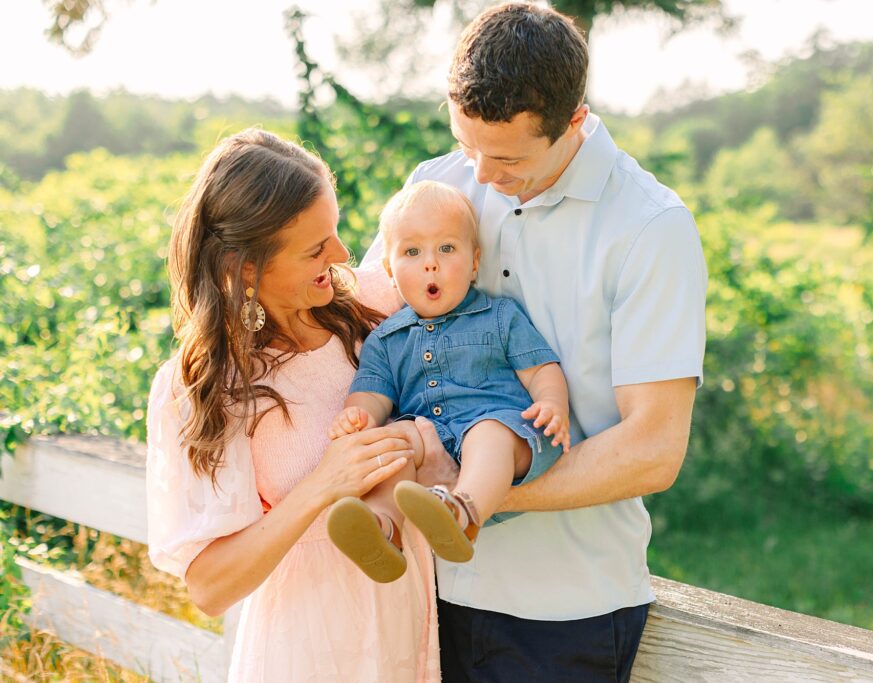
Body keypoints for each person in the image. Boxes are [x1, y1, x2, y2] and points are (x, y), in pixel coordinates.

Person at [363, 4, 707, 681]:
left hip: (563, 612)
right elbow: (368, 325)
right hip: (424, 597)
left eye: (508, 157)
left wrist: (468, 497)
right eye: (468, 147)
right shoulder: (439, 189)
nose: (481, 178)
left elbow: (654, 450)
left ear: (575, 120)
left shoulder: (650, 227)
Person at [145, 128, 440, 682]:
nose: (343, 255)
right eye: (315, 249)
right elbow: (209, 587)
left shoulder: (374, 304)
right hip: (309, 646)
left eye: (333, 232)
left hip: (408, 629)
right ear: (247, 268)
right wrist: (323, 485)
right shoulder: (205, 385)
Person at [325, 180, 570, 582]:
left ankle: (463, 512)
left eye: (446, 248)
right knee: (396, 439)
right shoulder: (386, 340)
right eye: (412, 251)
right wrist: (357, 418)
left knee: (487, 432)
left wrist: (551, 403)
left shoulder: (500, 316)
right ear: (389, 269)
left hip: (507, 438)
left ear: (475, 262)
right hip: (431, 441)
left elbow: (541, 368)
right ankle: (383, 528)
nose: (430, 264)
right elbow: (370, 395)